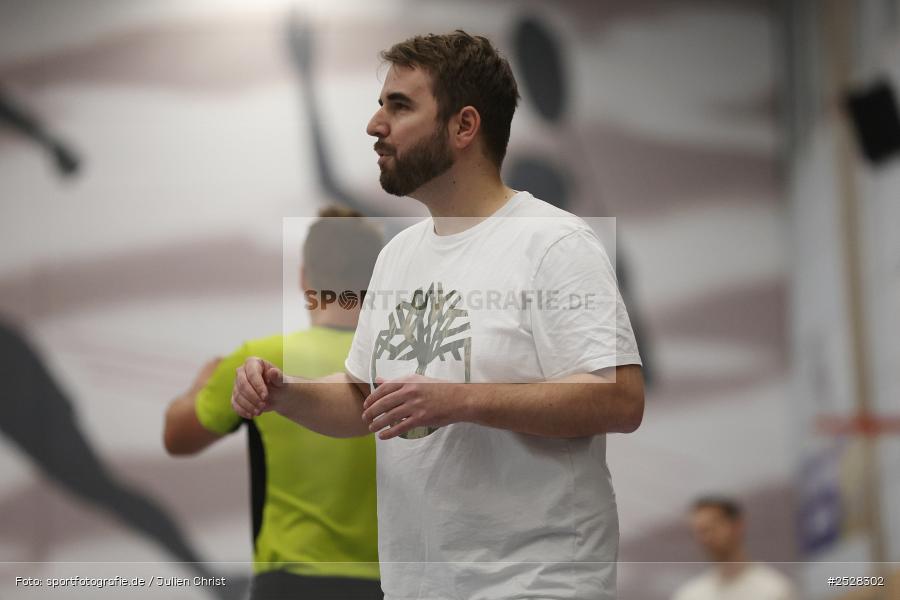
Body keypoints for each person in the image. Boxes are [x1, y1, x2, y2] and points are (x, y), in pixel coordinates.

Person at [231, 31, 644, 600]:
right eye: (380, 105)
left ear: (463, 126)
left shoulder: (554, 242)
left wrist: (460, 399)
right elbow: (364, 397)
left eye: (399, 106)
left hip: (538, 584)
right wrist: (285, 392)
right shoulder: (398, 255)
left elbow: (619, 400)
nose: (376, 125)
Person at [164, 206, 384, 600]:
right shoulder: (401, 364)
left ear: (304, 279)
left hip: (290, 582)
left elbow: (178, 438)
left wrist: (200, 386)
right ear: (378, 281)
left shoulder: (260, 360)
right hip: (394, 583)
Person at [672, 497, 795, 600]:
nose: (705, 538)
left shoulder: (775, 591)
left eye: (712, 528)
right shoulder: (689, 595)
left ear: (737, 526)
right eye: (699, 531)